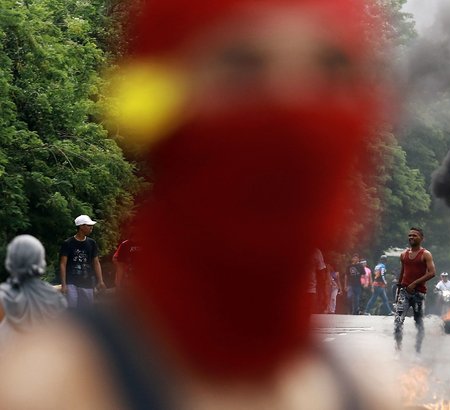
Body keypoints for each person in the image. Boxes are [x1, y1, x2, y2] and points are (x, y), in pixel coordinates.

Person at [0, 1, 396, 408]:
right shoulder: (50, 385)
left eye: (332, 68)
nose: (296, 107)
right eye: (244, 66)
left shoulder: (359, 390)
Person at [0, 235, 67, 346]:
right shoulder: (55, 298)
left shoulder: (4, 296)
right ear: (40, 261)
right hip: (43, 353)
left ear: (11, 260)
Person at [394, 227, 436, 355]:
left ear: (421, 238)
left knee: (418, 323)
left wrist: (414, 283)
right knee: (398, 321)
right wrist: (399, 288)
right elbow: (403, 271)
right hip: (404, 293)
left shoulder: (425, 254)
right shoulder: (403, 255)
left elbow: (432, 273)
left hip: (419, 294)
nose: (411, 237)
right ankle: (398, 350)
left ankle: (417, 351)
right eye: (409, 235)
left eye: (414, 236)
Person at [59, 215, 106, 308]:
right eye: (88, 225)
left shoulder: (92, 243)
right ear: (81, 226)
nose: (91, 227)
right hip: (71, 281)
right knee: (73, 309)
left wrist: (100, 281)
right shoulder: (68, 243)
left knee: (87, 309)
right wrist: (63, 284)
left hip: (87, 281)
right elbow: (63, 264)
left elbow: (96, 262)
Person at [307, 248, 328, 313]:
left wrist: (324, 292)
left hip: (310, 288)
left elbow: (322, 273)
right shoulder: (315, 251)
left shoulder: (316, 252)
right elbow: (322, 272)